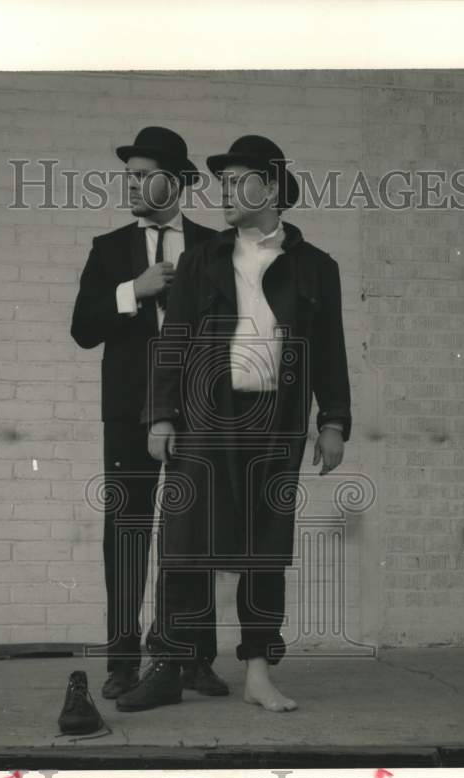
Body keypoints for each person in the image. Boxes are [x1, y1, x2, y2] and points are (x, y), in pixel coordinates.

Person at [117, 135, 352, 713]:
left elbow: (330, 352)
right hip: (204, 420)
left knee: (264, 554)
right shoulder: (203, 259)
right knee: (184, 547)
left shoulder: (317, 268)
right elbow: (174, 342)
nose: (224, 191)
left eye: (237, 180)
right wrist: (163, 415)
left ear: (269, 187)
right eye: (219, 182)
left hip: (276, 425)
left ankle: (258, 675)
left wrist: (335, 422)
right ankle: (170, 668)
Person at [70, 126, 227, 700]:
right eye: (128, 175)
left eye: (142, 175)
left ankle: (193, 659)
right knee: (128, 531)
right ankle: (122, 661)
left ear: (177, 181)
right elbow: (83, 330)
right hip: (128, 411)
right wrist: (131, 289)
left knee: (194, 536)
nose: (130, 185)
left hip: (199, 410)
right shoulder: (109, 248)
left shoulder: (214, 247)